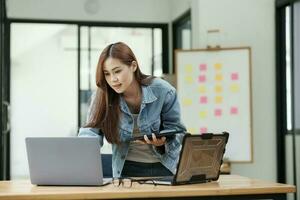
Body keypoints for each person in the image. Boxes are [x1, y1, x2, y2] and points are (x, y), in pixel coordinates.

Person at [78, 42, 186, 178]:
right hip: (124, 170)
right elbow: (90, 132)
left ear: (133, 66)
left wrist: (163, 142)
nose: (113, 79)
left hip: (163, 167)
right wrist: (81, 153)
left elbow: (179, 133)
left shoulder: (163, 91)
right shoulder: (102, 96)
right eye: (107, 73)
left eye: (117, 71)